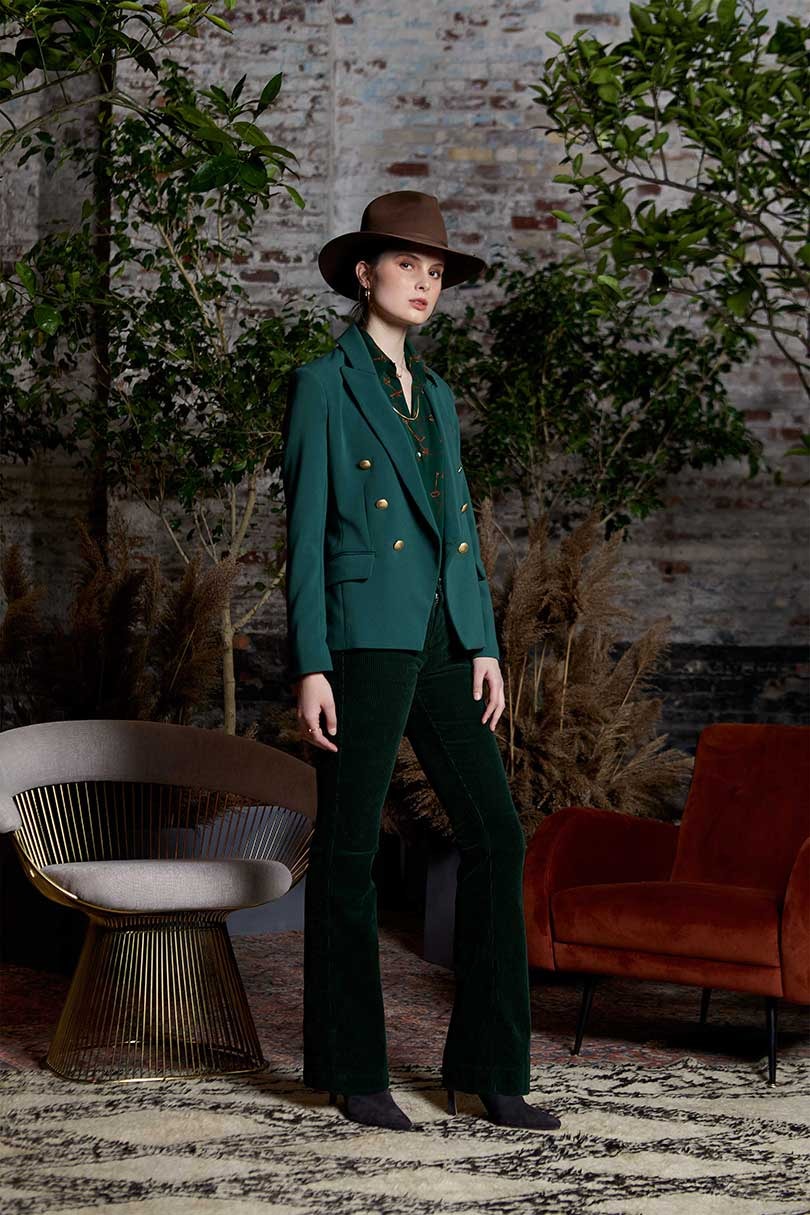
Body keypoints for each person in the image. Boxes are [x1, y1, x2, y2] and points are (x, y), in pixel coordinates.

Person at [281, 190, 561, 1133]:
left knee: (497, 835)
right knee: (350, 850)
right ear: (365, 273)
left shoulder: (436, 393)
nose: (425, 284)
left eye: (436, 272)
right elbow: (305, 534)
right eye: (408, 265)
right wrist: (310, 664)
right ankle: (351, 1067)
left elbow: (460, 530)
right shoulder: (324, 384)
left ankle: (488, 1068)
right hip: (361, 637)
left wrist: (482, 642)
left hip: (442, 638)